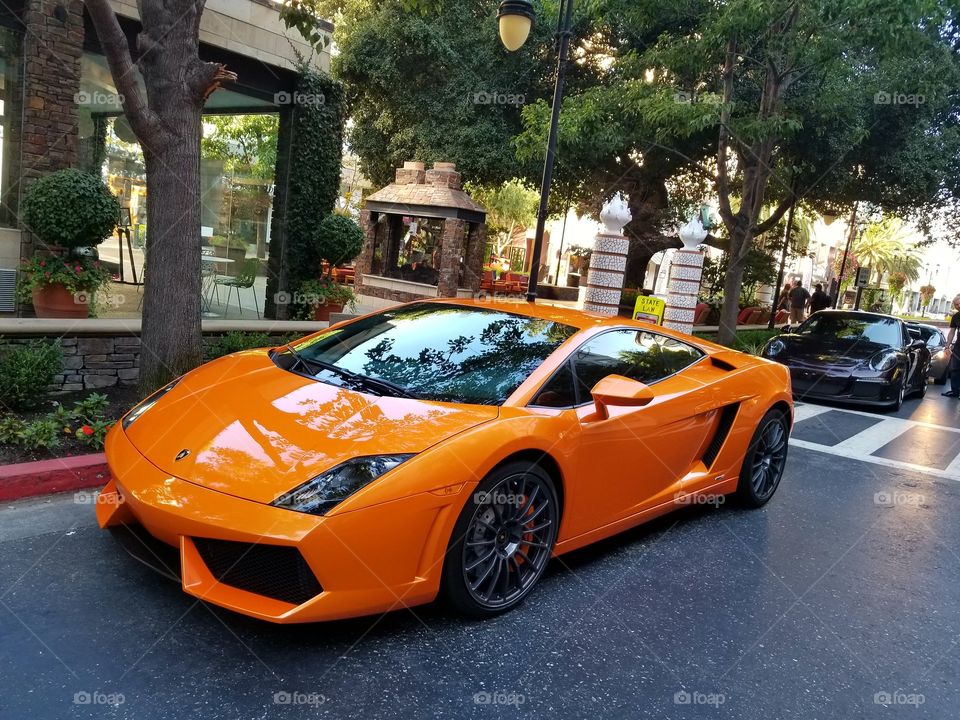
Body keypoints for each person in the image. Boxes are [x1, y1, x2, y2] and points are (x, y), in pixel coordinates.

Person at [942, 294, 960, 398]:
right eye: (956, 305)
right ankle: (955, 391)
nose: (958, 306)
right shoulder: (956, 317)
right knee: (954, 368)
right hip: (958, 347)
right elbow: (952, 332)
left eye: (959, 303)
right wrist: (947, 345)